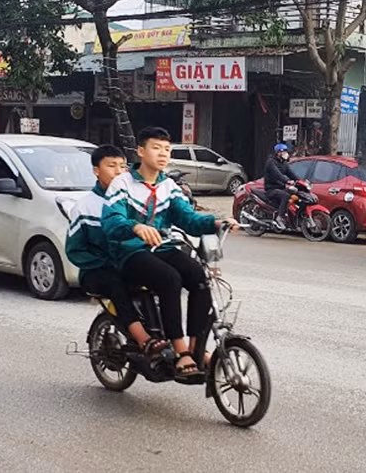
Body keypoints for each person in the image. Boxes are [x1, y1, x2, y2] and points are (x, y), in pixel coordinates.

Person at [102, 127, 237, 383]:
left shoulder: (168, 186)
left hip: (161, 248)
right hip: (129, 252)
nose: (163, 154)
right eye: (156, 148)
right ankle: (179, 349)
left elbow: (188, 218)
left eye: (167, 149)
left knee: (199, 276)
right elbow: (111, 220)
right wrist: (135, 226)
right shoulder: (123, 183)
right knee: (169, 279)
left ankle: (196, 348)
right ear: (141, 151)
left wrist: (217, 223)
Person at [65, 145, 170, 360]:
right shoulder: (84, 206)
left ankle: (169, 339)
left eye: (122, 166)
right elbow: (74, 250)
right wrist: (105, 262)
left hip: (127, 263)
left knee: (161, 281)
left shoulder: (132, 201)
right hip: (96, 271)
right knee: (116, 283)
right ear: (96, 170)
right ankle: (144, 340)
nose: (118, 171)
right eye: (111, 166)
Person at [264, 142, 299, 229]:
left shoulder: (284, 164)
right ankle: (279, 218)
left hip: (281, 188)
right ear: (278, 153)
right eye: (283, 152)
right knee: (285, 195)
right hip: (271, 189)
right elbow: (278, 175)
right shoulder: (271, 162)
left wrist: (300, 181)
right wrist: (287, 181)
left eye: (286, 152)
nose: (286, 154)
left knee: (295, 192)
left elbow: (292, 174)